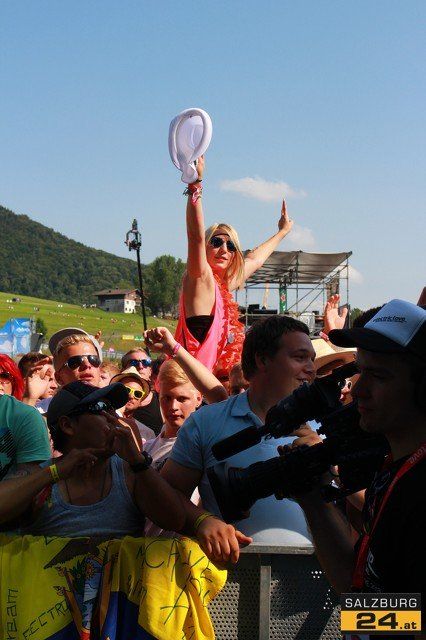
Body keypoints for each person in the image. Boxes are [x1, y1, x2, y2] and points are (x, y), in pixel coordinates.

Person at [0, 381, 252, 564]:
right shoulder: (43, 478)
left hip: (116, 615)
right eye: (101, 408)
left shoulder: (129, 473)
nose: (114, 417)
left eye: (113, 408)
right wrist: (56, 472)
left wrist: (138, 461)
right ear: (67, 425)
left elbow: (174, 519)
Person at [292, 299, 426, 604]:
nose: (359, 389)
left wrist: (365, 622)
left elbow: (405, 620)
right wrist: (314, 500)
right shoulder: (391, 469)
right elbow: (361, 595)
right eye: (360, 371)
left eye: (379, 376)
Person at [162, 315, 319, 545]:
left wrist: (328, 461)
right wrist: (201, 522)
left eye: (312, 359)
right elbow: (164, 499)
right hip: (231, 568)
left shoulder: (328, 422)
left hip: (316, 569)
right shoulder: (206, 422)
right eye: (300, 357)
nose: (311, 369)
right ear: (262, 360)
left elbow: (363, 508)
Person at [174, 155, 294, 380]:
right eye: (217, 242)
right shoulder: (200, 278)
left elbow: (255, 260)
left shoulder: (224, 286)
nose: (224, 249)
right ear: (205, 246)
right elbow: (195, 237)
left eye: (231, 246)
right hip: (193, 388)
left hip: (221, 387)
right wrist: (195, 186)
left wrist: (282, 232)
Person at [121, 348, 163, 434]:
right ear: (123, 370)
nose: (140, 366)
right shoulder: (113, 401)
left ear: (150, 371)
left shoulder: (162, 400)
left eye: (145, 362)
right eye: (133, 362)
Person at [110, 366, 155, 444]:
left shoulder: (148, 433)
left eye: (137, 394)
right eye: (127, 390)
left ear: (141, 401)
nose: (131, 396)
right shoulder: (101, 419)